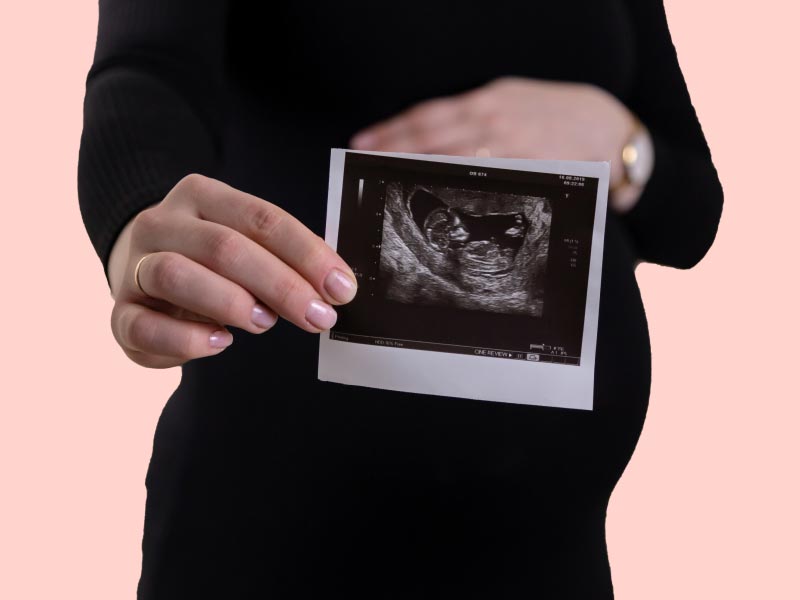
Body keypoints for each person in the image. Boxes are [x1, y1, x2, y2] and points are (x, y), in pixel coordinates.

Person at [78, 0, 723, 597]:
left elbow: (692, 216)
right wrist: (140, 220)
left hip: (553, 545)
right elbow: (147, 72)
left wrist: (622, 143)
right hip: (279, 527)